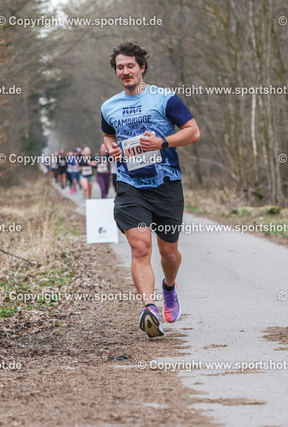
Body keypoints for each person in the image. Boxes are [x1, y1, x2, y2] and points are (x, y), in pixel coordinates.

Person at [101, 40, 200, 337]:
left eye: (130, 66)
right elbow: (108, 137)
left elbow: (193, 132)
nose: (125, 71)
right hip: (130, 184)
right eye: (120, 67)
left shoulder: (164, 98)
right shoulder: (109, 106)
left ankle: (169, 287)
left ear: (142, 68)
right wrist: (110, 149)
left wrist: (162, 142)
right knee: (140, 246)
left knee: (168, 253)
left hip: (166, 182)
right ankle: (149, 308)